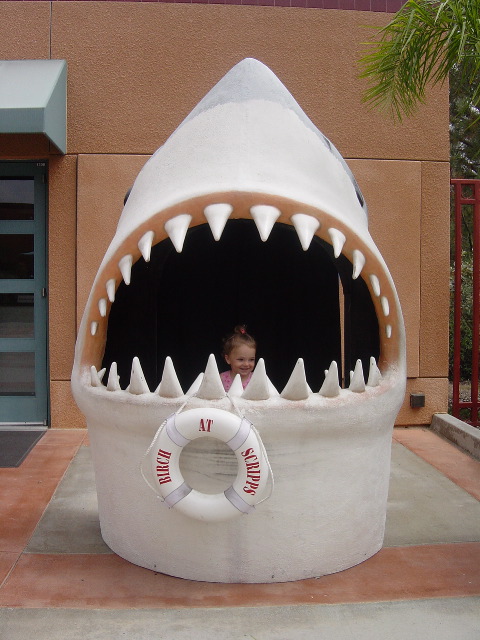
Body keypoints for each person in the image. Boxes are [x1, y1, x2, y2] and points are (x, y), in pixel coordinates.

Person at [220, 325, 256, 392]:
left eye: (251, 359)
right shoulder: (221, 379)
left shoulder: (257, 378)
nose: (246, 364)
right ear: (228, 359)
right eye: (241, 359)